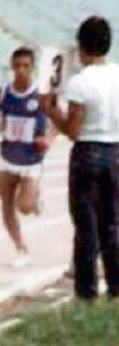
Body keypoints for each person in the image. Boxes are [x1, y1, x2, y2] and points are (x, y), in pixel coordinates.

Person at [45, 16, 119, 300]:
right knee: (112, 223)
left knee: (86, 225)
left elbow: (73, 130)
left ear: (80, 47)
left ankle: (87, 291)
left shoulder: (80, 82)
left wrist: (53, 112)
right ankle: (116, 286)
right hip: (114, 149)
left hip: (88, 151)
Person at [0, 47, 51, 267]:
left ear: (32, 68)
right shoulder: (3, 93)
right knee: (6, 204)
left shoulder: (41, 94)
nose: (21, 71)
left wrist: (49, 138)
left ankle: (35, 199)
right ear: (11, 67)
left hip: (31, 159)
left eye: (25, 66)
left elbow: (58, 120)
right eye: (17, 66)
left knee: (25, 207)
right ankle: (21, 249)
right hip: (7, 156)